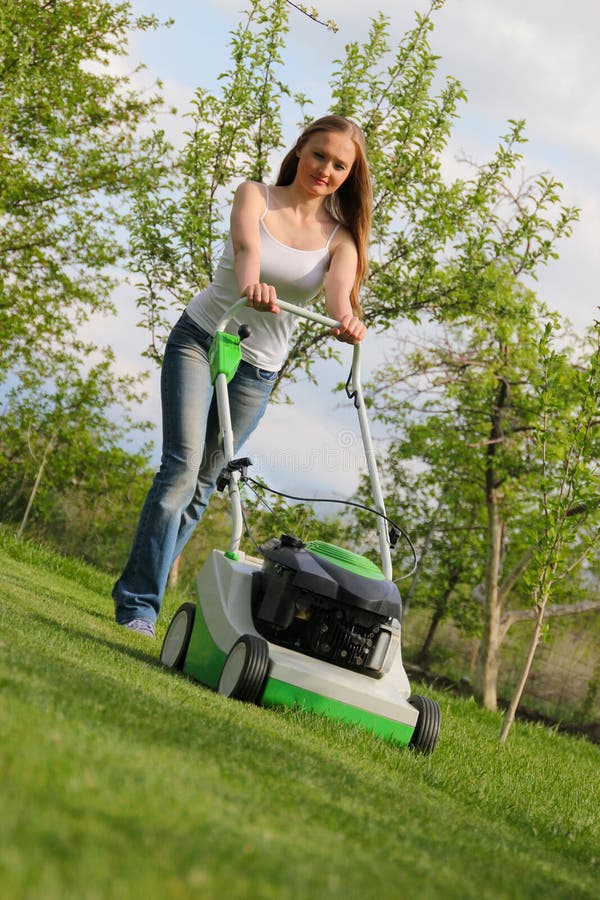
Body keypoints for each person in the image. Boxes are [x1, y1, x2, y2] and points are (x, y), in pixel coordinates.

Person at [112, 115, 373, 637]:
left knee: (205, 482)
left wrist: (347, 317)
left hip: (258, 369)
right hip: (203, 336)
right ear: (300, 149)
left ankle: (144, 591)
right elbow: (246, 251)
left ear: (349, 175)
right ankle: (139, 605)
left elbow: (338, 291)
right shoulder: (255, 194)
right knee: (182, 468)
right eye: (319, 155)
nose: (325, 169)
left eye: (339, 164)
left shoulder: (341, 238)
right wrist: (253, 286)